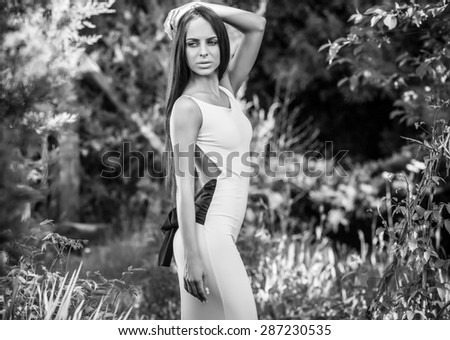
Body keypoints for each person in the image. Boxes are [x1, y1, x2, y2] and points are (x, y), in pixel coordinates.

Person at [160, 1, 266, 320]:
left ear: (221, 43)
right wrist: (192, 258)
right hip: (208, 237)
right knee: (247, 326)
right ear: (182, 50)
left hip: (219, 234)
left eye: (212, 41)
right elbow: (183, 186)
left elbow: (256, 25)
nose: (204, 52)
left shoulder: (227, 90)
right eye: (193, 43)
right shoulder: (187, 107)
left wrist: (198, 6)